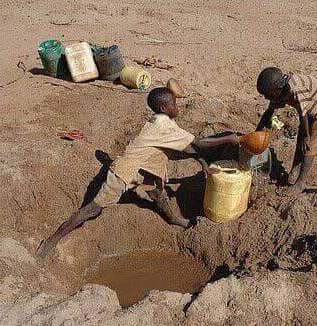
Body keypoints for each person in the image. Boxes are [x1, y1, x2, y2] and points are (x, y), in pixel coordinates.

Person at [37, 87, 238, 258]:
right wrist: (228, 139)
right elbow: (199, 143)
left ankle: (173, 219)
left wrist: (202, 161)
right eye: (174, 105)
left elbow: (185, 148)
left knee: (157, 192)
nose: (178, 107)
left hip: (146, 165)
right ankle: (52, 240)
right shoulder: (163, 125)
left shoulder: (161, 120)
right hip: (126, 170)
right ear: (163, 108)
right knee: (93, 209)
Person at [255, 67, 317, 194]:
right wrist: (257, 133)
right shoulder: (279, 90)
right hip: (310, 104)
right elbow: (269, 112)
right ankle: (294, 173)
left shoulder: (297, 90)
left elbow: (303, 113)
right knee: (301, 140)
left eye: (268, 95)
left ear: (278, 89)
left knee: (309, 145)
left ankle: (300, 183)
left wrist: (306, 136)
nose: (266, 98)